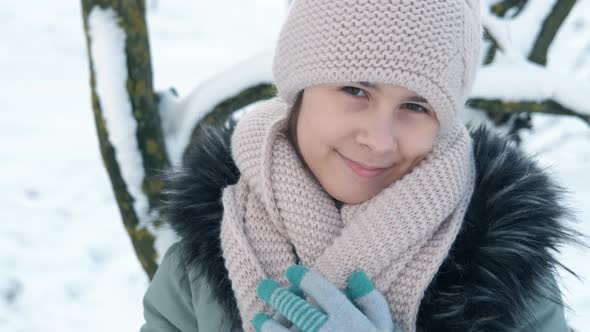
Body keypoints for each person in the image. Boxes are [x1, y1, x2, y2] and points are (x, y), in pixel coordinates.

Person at [140, 0, 581, 331]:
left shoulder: (507, 270)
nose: (379, 138)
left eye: (415, 105)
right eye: (355, 90)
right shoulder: (199, 263)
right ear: (300, 88)